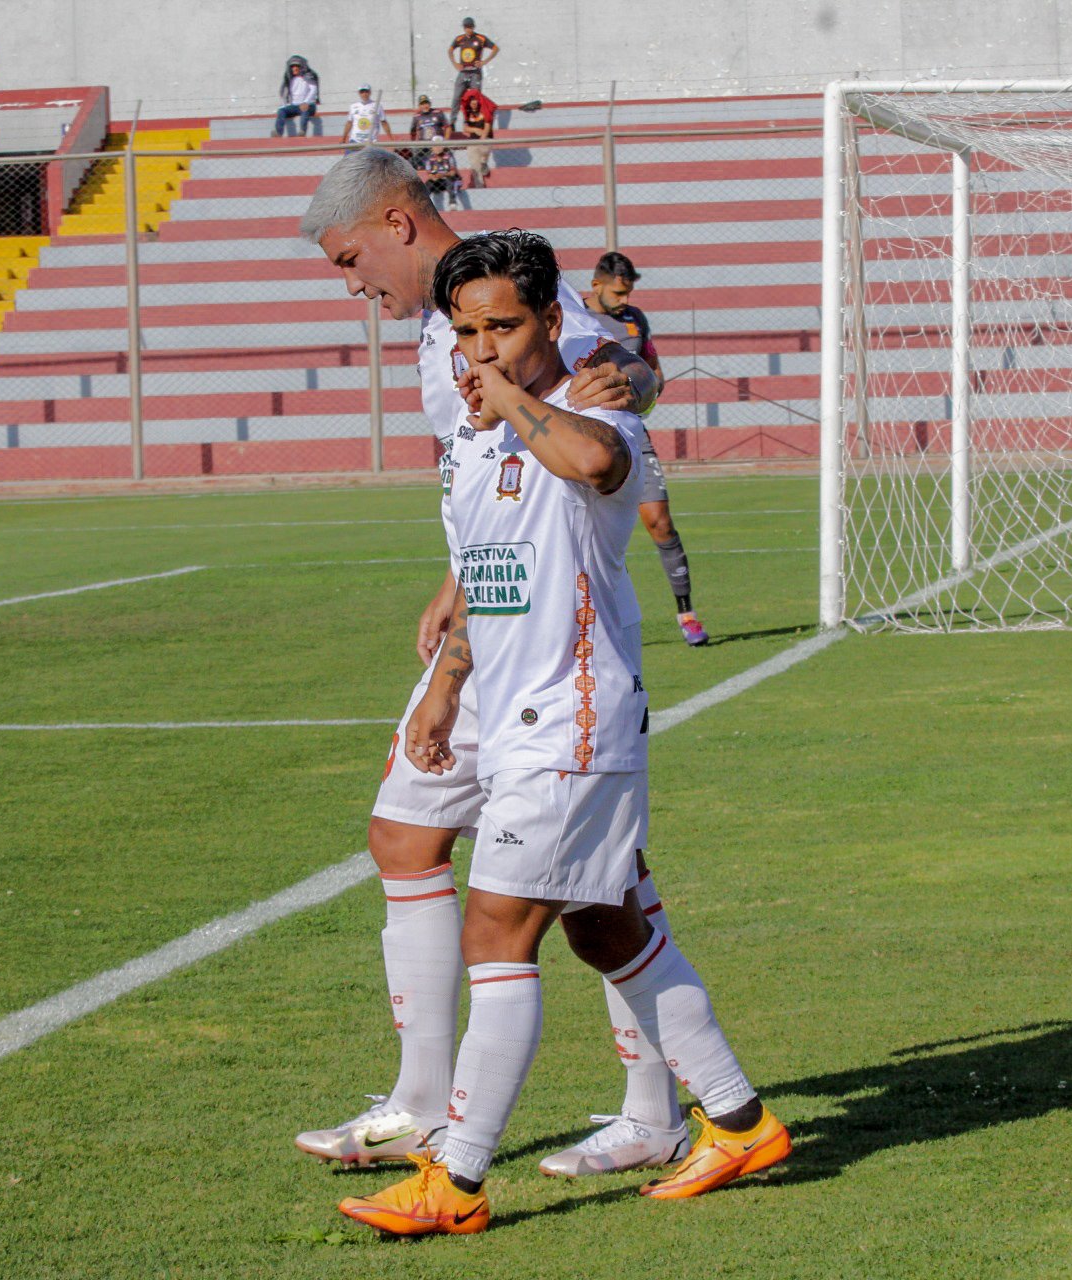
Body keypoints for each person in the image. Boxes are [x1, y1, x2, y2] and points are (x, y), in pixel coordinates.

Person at [336, 231, 788, 1236]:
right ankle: (740, 1119)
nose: (484, 347)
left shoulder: (595, 405)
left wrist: (515, 400)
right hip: (507, 716)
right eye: (466, 330)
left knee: (499, 927)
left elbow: (591, 462)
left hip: (574, 718)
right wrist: (446, 688)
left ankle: (453, 1179)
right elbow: (486, 579)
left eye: (504, 325)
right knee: (605, 924)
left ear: (551, 320)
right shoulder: (472, 437)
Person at [294, 150, 697, 1188]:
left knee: (599, 885)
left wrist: (626, 381)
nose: (353, 287)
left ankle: (654, 1110)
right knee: (405, 828)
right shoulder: (450, 334)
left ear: (394, 222)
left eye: (351, 261)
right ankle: (422, 1104)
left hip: (548, 643)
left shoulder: (506, 291)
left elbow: (621, 389)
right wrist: (458, 578)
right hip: (494, 610)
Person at [584, 252, 707, 645]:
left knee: (660, 522)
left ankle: (687, 614)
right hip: (584, 437)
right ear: (596, 284)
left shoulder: (635, 319)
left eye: (629, 291)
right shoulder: (573, 315)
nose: (624, 298)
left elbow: (653, 368)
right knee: (581, 532)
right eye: (618, 291)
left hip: (634, 433)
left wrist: (649, 387)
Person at [447, 16, 497, 105]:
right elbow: (450, 50)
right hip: (463, 71)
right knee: (457, 97)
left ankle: (477, 117)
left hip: (475, 72)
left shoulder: (480, 38)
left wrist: (484, 62)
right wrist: (455, 63)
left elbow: (495, 48)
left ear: (473, 27)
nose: (468, 29)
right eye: (466, 27)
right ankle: (453, 119)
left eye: (470, 27)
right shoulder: (460, 38)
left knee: (475, 98)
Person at [456, 87, 495, 187]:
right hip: (473, 140)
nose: (473, 103)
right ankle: (479, 186)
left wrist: (482, 137)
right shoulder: (468, 113)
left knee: (485, 147)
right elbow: (465, 128)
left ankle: (484, 162)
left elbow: (487, 125)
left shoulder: (484, 110)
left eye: (475, 101)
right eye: (471, 101)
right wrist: (475, 130)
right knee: (474, 166)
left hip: (485, 139)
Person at [274, 56, 319, 137]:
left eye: (296, 66)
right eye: (292, 66)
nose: (294, 68)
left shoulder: (308, 76)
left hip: (309, 105)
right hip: (294, 105)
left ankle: (302, 132)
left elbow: (313, 89)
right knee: (281, 111)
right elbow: (284, 93)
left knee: (304, 110)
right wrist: (285, 104)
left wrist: (306, 102)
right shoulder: (289, 79)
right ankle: (278, 133)